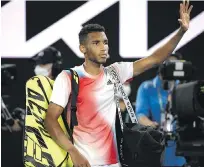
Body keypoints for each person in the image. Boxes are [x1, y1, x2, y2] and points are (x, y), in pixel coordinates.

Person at [45, 1, 193, 167]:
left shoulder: (115, 71)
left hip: (115, 163)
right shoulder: (69, 77)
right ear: (82, 49)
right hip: (84, 163)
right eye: (96, 43)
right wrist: (73, 151)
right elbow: (50, 120)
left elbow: (155, 59)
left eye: (105, 42)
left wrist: (181, 31)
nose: (103, 48)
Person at [135, 53, 186, 167]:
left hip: (179, 144)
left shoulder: (184, 89)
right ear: (160, 67)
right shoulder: (146, 87)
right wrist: (151, 125)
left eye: (175, 65)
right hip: (157, 141)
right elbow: (141, 115)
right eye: (168, 64)